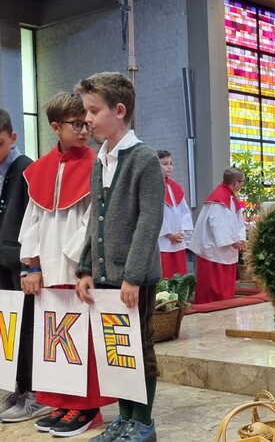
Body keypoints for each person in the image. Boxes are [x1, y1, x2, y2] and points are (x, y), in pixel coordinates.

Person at [20, 91, 117, 437]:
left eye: (86, 123)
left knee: (83, 339)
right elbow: (32, 221)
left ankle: (87, 407)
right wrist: (33, 267)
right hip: (48, 269)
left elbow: (95, 222)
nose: (84, 130)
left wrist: (82, 265)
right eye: (76, 124)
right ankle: (61, 401)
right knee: (56, 340)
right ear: (55, 127)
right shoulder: (38, 170)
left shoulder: (98, 164)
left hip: (79, 269)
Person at [75, 72, 165, 442]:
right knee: (117, 349)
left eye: (94, 111)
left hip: (133, 277)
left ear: (120, 110)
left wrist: (133, 275)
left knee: (138, 346)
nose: (88, 119)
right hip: (105, 274)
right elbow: (93, 217)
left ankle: (143, 422)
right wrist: (85, 268)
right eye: (86, 111)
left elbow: (150, 220)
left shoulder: (143, 158)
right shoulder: (101, 159)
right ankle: (125, 418)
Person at [0, 107, 45, 423]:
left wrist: (32, 266)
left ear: (13, 137)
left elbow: (34, 221)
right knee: (11, 329)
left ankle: (35, 393)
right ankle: (19, 388)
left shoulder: (27, 169)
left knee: (28, 328)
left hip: (23, 265)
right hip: (1, 265)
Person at [189, 168, 247, 305]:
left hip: (225, 250)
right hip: (214, 251)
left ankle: (225, 306)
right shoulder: (219, 199)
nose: (242, 184)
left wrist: (240, 238)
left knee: (224, 286)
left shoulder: (229, 196)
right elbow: (218, 225)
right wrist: (232, 241)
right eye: (242, 182)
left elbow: (237, 221)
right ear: (235, 183)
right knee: (214, 287)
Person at [158, 150, 193, 279]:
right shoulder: (152, 187)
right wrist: (168, 234)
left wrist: (182, 232)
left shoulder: (175, 187)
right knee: (164, 277)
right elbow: (154, 214)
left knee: (179, 277)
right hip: (161, 241)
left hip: (177, 242)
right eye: (165, 164)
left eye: (171, 163)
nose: (170, 167)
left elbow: (184, 212)